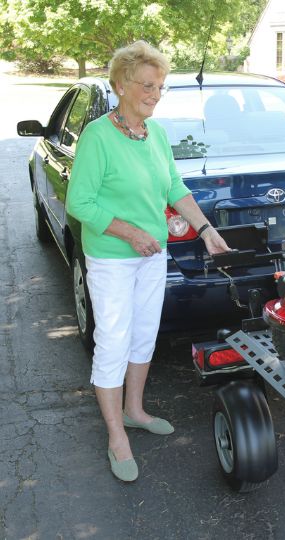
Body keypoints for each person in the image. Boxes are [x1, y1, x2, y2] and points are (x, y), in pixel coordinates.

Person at [66, 41, 229, 482]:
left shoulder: (154, 133)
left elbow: (174, 187)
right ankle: (116, 435)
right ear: (121, 85)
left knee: (143, 336)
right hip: (114, 259)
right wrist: (131, 232)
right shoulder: (99, 136)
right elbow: (80, 201)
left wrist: (206, 230)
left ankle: (135, 409)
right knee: (114, 342)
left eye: (160, 86)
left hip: (151, 256)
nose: (155, 94)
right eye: (146, 85)